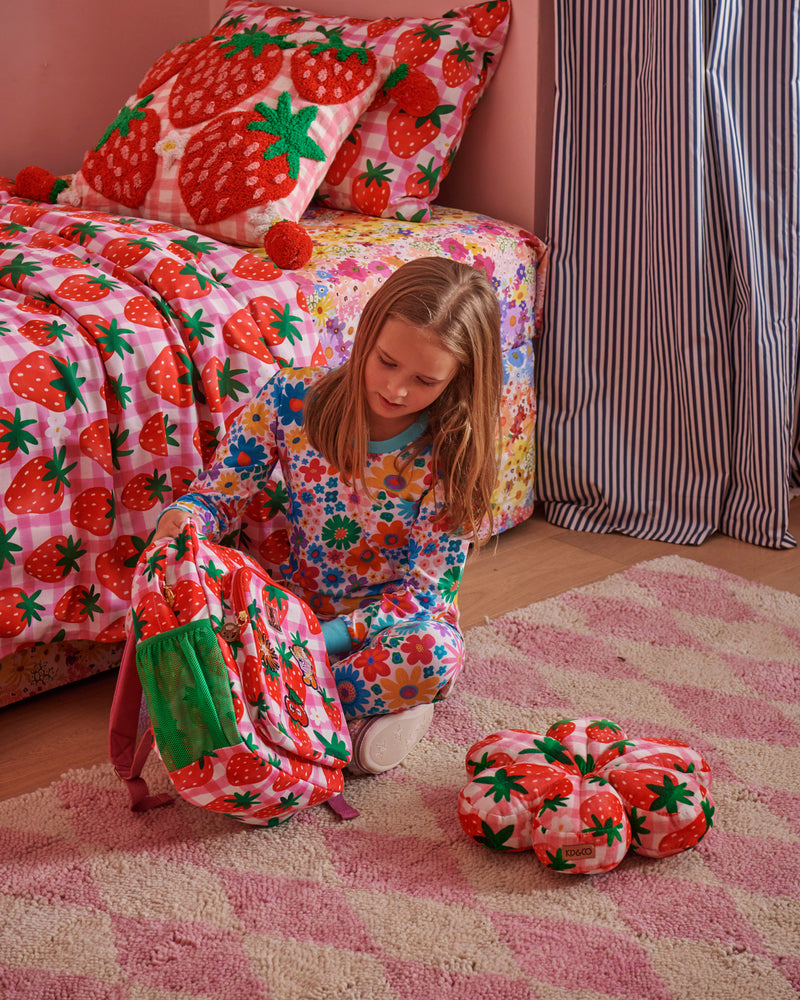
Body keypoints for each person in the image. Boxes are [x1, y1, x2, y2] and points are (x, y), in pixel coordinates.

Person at [154, 256, 503, 774]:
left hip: (385, 633)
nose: (397, 390)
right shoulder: (292, 398)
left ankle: (281, 712)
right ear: (366, 334)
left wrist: (320, 639)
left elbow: (424, 596)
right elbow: (218, 495)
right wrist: (185, 519)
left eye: (425, 380)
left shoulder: (453, 455)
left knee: (434, 654)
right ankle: (338, 722)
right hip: (292, 610)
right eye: (386, 362)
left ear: (457, 380)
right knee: (192, 596)